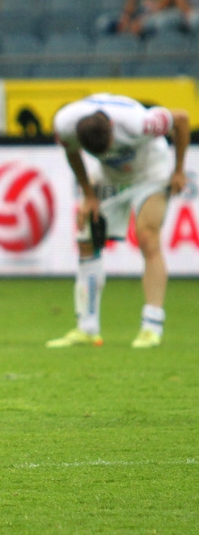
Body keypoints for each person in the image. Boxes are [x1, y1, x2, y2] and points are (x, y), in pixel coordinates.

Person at [46, 94, 190, 349]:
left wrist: (178, 170)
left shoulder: (140, 123)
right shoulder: (65, 124)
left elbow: (181, 119)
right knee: (86, 240)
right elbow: (72, 155)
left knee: (147, 238)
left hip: (151, 170)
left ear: (112, 128)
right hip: (109, 177)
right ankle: (87, 329)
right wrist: (89, 195)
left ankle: (151, 326)